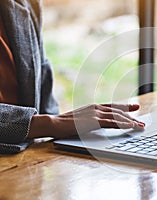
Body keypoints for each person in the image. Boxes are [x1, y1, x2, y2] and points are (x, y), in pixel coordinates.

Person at [0, 0, 144, 153]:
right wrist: (47, 124)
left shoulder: (25, 5)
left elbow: (45, 101)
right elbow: (49, 121)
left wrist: (68, 127)